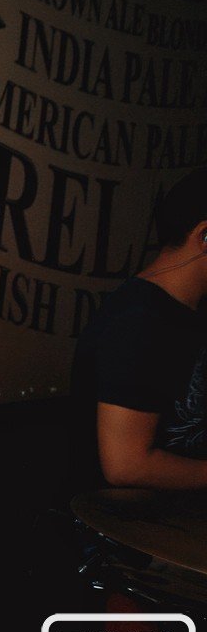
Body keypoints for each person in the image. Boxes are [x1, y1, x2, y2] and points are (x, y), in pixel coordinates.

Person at [70, 166, 207, 493]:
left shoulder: (189, 313)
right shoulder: (139, 320)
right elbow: (127, 466)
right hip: (130, 523)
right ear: (205, 236)